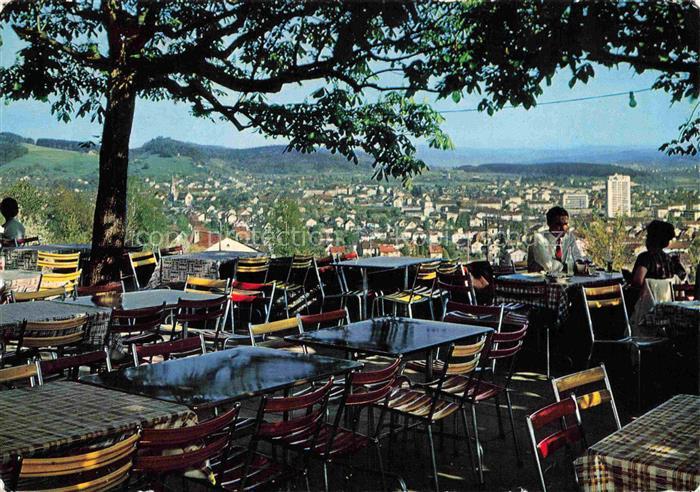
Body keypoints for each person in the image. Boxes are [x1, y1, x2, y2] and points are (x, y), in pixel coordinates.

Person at [630, 220, 685, 289]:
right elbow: (681, 277)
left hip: (647, 299)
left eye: (648, 236)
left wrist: (629, 278)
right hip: (667, 299)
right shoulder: (670, 260)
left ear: (652, 239)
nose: (646, 240)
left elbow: (637, 282)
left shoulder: (645, 258)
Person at [528, 206, 581, 273]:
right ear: (549, 224)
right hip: (539, 281)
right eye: (558, 224)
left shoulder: (569, 238)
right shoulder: (539, 238)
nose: (563, 228)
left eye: (565, 224)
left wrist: (580, 264)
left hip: (562, 280)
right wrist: (570, 267)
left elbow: (577, 257)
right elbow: (549, 266)